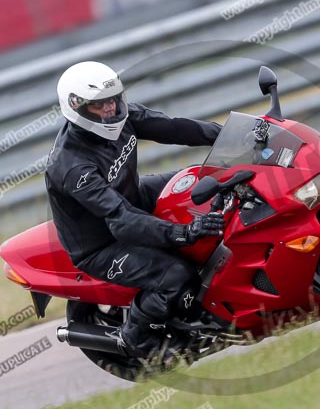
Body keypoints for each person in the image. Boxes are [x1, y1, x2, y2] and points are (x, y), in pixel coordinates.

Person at [45, 61, 225, 363]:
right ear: (76, 107)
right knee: (175, 275)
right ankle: (136, 338)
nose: (110, 109)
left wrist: (226, 135)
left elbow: (172, 127)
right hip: (102, 245)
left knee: (200, 179)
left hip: (135, 196)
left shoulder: (121, 116)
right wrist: (184, 233)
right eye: (100, 105)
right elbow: (122, 220)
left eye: (114, 100)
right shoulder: (72, 167)